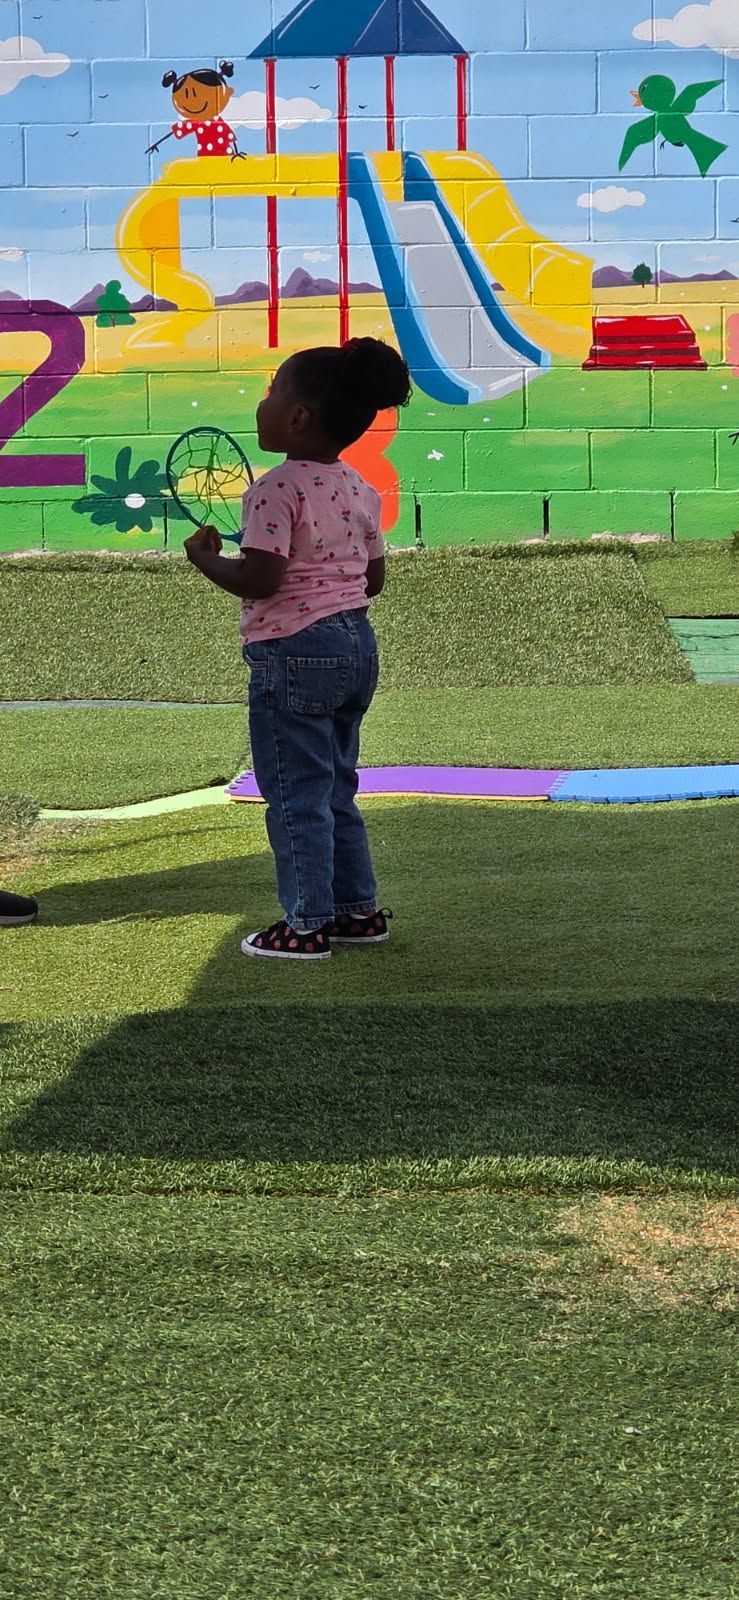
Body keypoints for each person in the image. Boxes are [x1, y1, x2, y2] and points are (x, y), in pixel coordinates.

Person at [184, 337, 412, 961]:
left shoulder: (273, 490)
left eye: (270, 393)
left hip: (293, 652)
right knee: (337, 785)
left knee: (293, 795)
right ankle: (356, 911)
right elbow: (372, 581)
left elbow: (262, 580)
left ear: (298, 416)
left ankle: (305, 925)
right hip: (356, 647)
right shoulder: (360, 487)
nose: (262, 405)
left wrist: (205, 560)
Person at [146, 61, 245, 160]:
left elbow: (230, 137)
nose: (195, 102)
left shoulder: (217, 122)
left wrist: (236, 153)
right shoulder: (196, 123)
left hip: (225, 157)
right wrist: (156, 144)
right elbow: (177, 131)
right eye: (186, 96)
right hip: (205, 159)